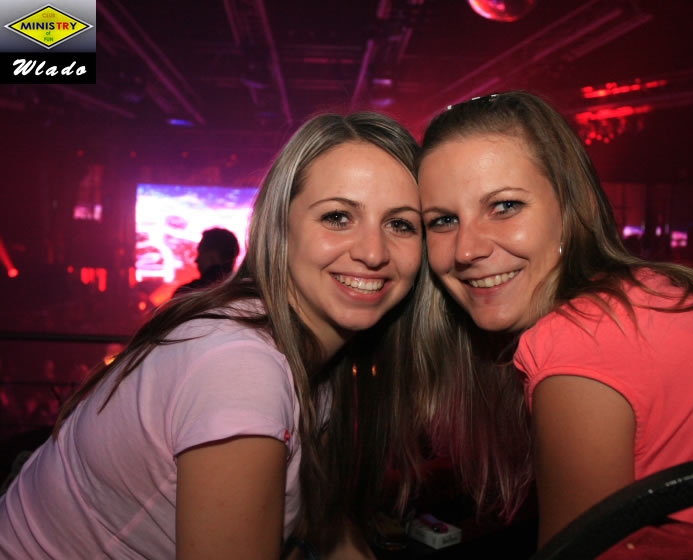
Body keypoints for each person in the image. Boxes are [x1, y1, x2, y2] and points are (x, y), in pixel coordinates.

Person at [413, 90, 693, 548]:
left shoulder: (579, 337)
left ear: (572, 209)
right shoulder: (646, 290)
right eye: (443, 221)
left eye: (505, 207)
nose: (466, 249)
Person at [0, 111, 426, 559]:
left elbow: (329, 528)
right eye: (338, 217)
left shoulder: (318, 361)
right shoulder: (240, 368)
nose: (373, 252)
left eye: (400, 224)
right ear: (279, 227)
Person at [173, 227, 240, 296]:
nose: (196, 260)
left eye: (200, 253)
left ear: (213, 256)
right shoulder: (242, 292)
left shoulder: (186, 293)